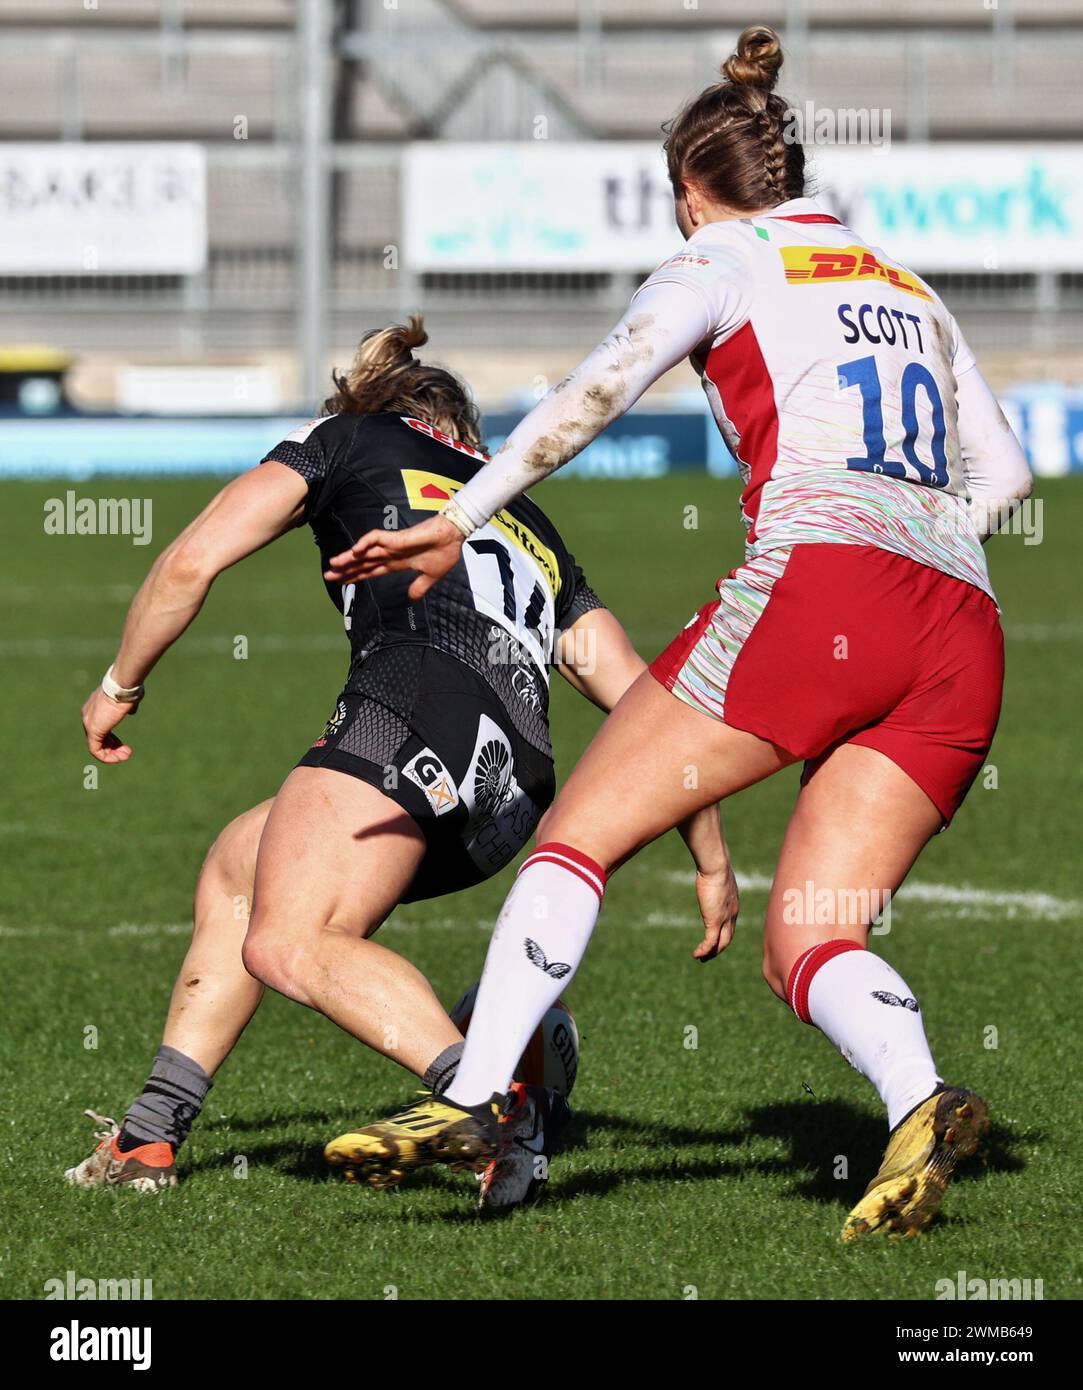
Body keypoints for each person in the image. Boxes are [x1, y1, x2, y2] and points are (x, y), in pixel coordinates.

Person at [321, 28, 1034, 1240]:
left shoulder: (725, 258)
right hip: (963, 621)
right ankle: (918, 1105)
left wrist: (459, 518)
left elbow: (588, 398)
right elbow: (1008, 477)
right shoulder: (905, 284)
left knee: (583, 835)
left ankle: (484, 1093)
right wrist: (912, 540)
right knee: (810, 930)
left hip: (825, 591)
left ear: (691, 195)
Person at [66, 318, 692, 1209]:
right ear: (462, 436)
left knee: (291, 940)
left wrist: (119, 686)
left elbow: (189, 561)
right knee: (242, 867)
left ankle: (491, 1109)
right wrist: (708, 850)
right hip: (511, 793)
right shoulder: (526, 516)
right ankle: (148, 1139)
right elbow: (645, 707)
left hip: (417, 711)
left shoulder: (349, 438)